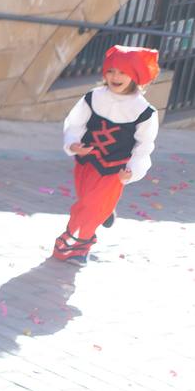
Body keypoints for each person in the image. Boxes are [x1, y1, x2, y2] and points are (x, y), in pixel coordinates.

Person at [55, 46, 160, 265]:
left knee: (91, 206)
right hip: (87, 162)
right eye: (111, 71)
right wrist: (73, 144)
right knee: (87, 201)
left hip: (116, 168)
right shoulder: (93, 98)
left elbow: (144, 146)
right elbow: (75, 123)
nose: (115, 76)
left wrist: (133, 171)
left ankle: (79, 246)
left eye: (123, 72)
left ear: (135, 75)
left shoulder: (145, 112)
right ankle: (105, 210)